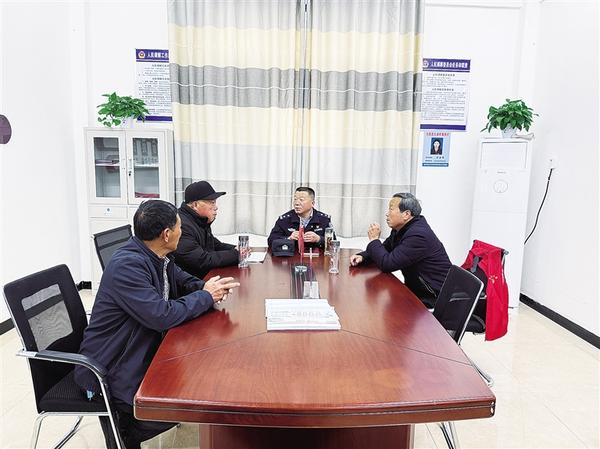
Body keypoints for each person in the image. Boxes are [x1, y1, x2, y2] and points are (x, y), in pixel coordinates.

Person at [75, 200, 240, 449]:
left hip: (141, 345)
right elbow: (161, 315)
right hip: (111, 365)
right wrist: (206, 297)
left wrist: (206, 288)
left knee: (200, 380)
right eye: (180, 227)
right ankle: (124, 431)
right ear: (166, 234)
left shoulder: (157, 255)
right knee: (190, 401)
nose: (182, 232)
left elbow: (182, 280)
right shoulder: (127, 266)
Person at [350, 193, 451, 308]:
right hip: (415, 292)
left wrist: (374, 240)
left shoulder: (418, 235)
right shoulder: (402, 228)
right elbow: (386, 247)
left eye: (391, 209)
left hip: (433, 297)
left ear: (406, 214)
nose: (387, 213)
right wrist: (363, 257)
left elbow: (387, 264)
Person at [173, 181, 239, 279]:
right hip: (189, 284)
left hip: (202, 278)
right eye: (212, 203)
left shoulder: (199, 220)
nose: (216, 207)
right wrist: (237, 254)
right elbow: (201, 260)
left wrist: (238, 248)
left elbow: (215, 245)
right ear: (195, 205)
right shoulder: (182, 225)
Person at [267, 186, 332, 250]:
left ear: (312, 203)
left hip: (316, 256)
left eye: (301, 200)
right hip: (291, 256)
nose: (297, 203)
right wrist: (289, 238)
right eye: (295, 199)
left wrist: (319, 239)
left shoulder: (324, 220)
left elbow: (332, 243)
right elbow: (271, 241)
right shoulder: (284, 220)